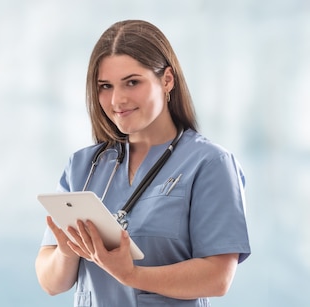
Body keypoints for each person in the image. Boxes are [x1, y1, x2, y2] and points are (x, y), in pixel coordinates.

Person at [35, 20, 251, 306]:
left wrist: (132, 275)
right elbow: (51, 283)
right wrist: (67, 251)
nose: (117, 99)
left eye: (132, 82)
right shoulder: (83, 166)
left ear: (167, 80)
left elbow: (218, 277)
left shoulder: (210, 164)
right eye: (105, 86)